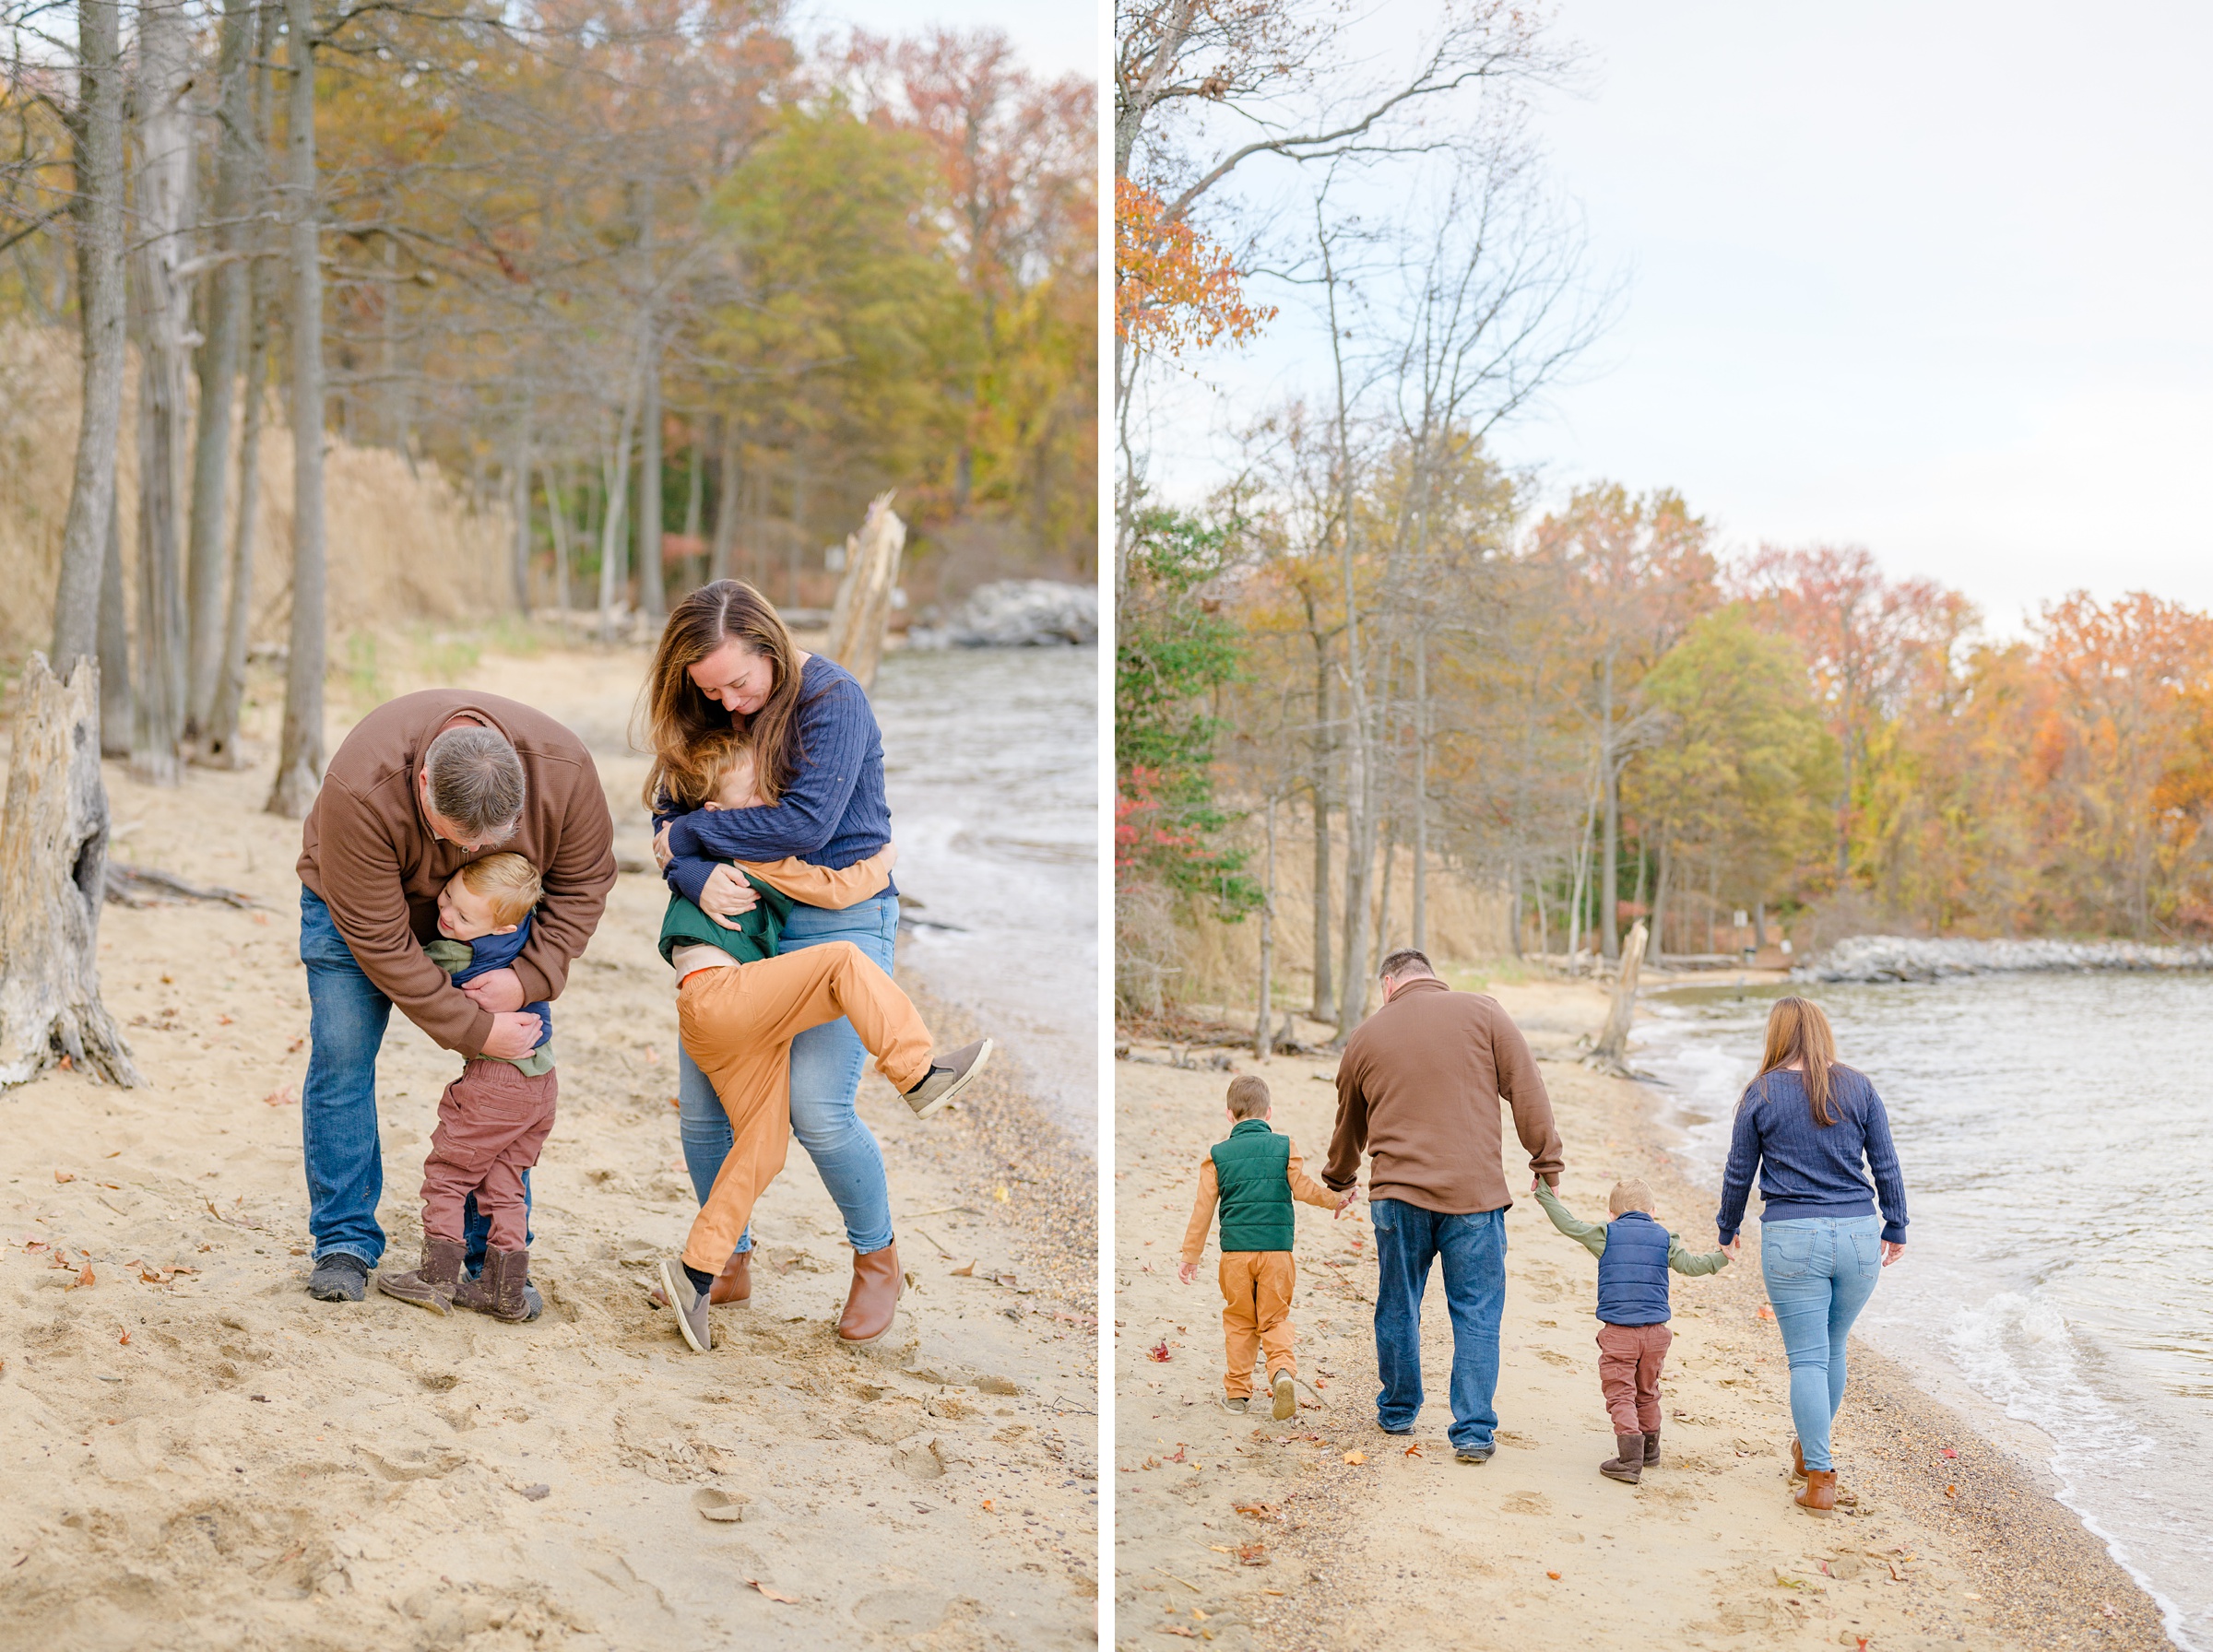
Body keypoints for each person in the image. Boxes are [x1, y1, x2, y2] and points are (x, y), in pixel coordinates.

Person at [650, 744, 992, 1354]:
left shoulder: (714, 844)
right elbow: (833, 888)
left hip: (725, 1020)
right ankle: (917, 1071)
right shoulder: (733, 849)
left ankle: (698, 1272)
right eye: (753, 796)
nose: (767, 808)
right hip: (720, 997)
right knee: (842, 963)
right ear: (713, 807)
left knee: (763, 1146)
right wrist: (883, 860)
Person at [642, 581, 908, 1342]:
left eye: (739, 683)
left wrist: (688, 841)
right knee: (705, 1113)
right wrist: (688, 869)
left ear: (771, 647)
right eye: (710, 688)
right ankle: (727, 1263)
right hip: (749, 910)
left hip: (842, 908)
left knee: (817, 1110)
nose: (727, 702)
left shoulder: (833, 699)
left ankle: (877, 1260)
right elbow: (671, 806)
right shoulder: (713, 706)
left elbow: (807, 820)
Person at [296, 694, 615, 1311]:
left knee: (507, 1081)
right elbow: (384, 944)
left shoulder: (565, 771)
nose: (466, 853)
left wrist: (528, 978)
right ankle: (344, 1242)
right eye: (454, 838)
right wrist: (474, 1028)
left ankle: (488, 1259)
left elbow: (582, 886)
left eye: (487, 844)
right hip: (356, 913)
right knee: (342, 1057)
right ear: (422, 785)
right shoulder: (361, 786)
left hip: (492, 925)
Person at [1323, 948, 1565, 1464]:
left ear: (1388, 984)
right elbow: (1527, 1086)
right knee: (1476, 1311)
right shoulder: (1484, 1013)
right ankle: (1474, 1430)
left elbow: (1349, 1120)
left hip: (1398, 1196)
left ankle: (1398, 1409)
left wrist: (1339, 1177)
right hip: (1473, 1196)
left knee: (1398, 1303)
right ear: (1432, 978)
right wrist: (1546, 1160)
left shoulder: (1366, 1035)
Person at [1716, 996, 1908, 1516]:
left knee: (1807, 1357)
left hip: (1792, 1237)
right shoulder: (1858, 1085)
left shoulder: (1761, 1092)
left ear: (1776, 1034)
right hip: (1858, 1237)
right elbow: (1886, 1164)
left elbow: (1739, 1171)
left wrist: (1727, 1227)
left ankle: (1820, 1473)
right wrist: (1897, 1225)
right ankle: (1809, 1450)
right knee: (1834, 1345)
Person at [380, 855, 558, 1322]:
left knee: (448, 1173)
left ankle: (436, 1278)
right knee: (505, 1185)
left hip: (493, 1082)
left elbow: (411, 972)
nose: (447, 916)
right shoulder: (525, 932)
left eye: (464, 916)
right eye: (449, 897)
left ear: (498, 928)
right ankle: (504, 1291)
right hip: (542, 1083)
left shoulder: (457, 952)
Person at [1533, 1174, 1729, 1484]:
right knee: (1647, 1391)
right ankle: (1650, 1452)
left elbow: (1568, 1224)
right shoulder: (1665, 1237)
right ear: (1652, 1212)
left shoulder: (1605, 1234)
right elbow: (1692, 1266)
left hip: (1620, 1334)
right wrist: (1721, 1257)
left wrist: (1545, 1193)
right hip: (1656, 1334)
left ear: (1612, 1214)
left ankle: (1629, 1460)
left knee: (1620, 1394)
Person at [1176, 1075, 1351, 1419]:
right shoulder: (1285, 1147)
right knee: (1274, 1319)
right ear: (1269, 1113)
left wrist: (1190, 1257)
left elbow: (1203, 1210)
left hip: (1235, 1256)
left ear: (1229, 1115)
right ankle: (1282, 1372)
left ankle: (1238, 1395)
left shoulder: (1218, 1156)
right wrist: (1336, 1201)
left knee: (1240, 1321)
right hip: (1276, 1254)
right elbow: (1303, 1189)